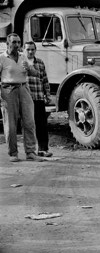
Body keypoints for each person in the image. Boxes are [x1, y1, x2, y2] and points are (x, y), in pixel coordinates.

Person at [0, 33, 43, 162]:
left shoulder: (23, 56)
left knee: (29, 121)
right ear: (8, 44)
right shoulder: (2, 58)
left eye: (19, 42)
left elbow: (36, 73)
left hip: (24, 88)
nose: (17, 45)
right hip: (8, 90)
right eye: (14, 42)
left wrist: (29, 69)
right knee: (11, 124)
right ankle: (13, 153)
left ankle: (30, 152)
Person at [24, 41, 53, 157]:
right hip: (26, 98)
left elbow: (44, 79)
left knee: (42, 124)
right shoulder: (21, 62)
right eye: (28, 49)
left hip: (39, 97)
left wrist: (47, 94)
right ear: (23, 50)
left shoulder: (40, 63)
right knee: (29, 125)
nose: (30, 51)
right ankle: (30, 151)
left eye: (32, 49)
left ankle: (43, 149)